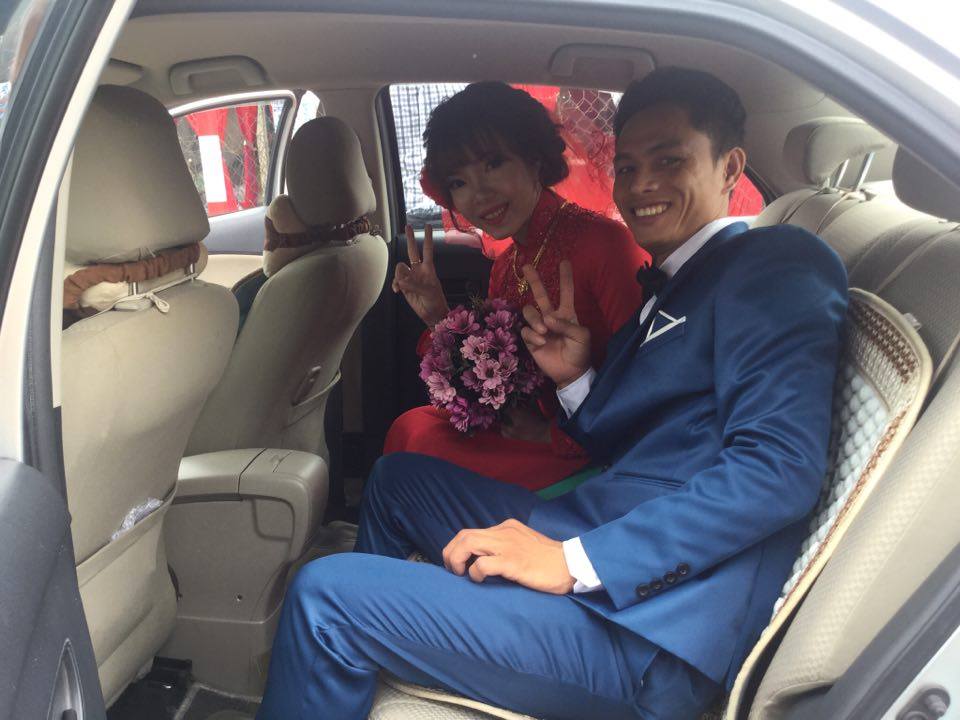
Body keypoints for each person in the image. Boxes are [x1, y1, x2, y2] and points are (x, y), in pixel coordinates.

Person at [257, 67, 848, 720]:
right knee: (397, 481)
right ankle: (372, 650)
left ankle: (356, 629)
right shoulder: (677, 280)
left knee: (324, 596)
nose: (640, 186)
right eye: (627, 167)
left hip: (647, 635)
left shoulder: (774, 264)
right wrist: (574, 378)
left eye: (669, 161)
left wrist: (574, 560)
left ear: (730, 166)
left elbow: (777, 468)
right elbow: (641, 436)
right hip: (602, 523)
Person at [384, 81, 649, 491]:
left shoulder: (605, 245)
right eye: (458, 182)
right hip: (532, 434)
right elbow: (498, 383)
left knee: (412, 457)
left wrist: (551, 435)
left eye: (493, 164)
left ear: (534, 157)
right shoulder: (506, 266)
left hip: (596, 451)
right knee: (413, 427)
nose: (479, 194)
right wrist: (438, 316)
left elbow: (648, 381)